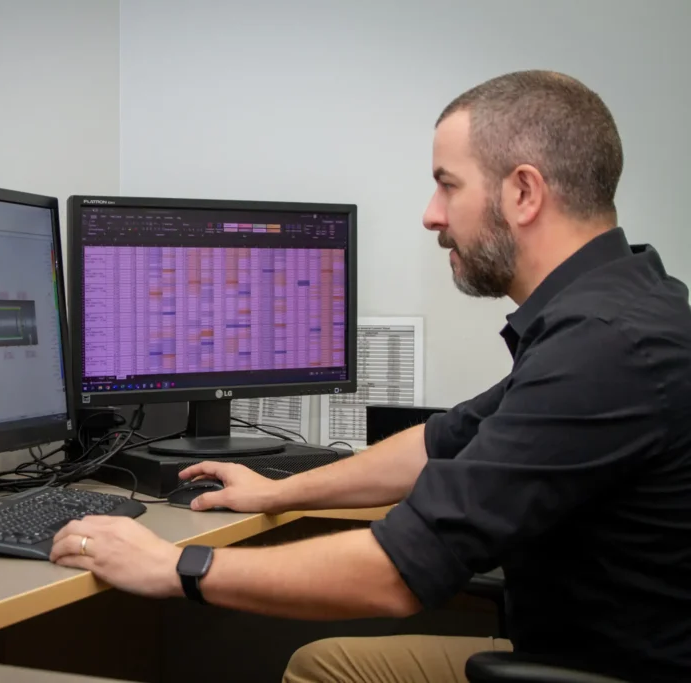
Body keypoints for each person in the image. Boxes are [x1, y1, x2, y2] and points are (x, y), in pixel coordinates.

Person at [49, 70, 691, 682]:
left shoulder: (603, 347)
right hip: (589, 649)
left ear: (523, 192)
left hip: (604, 671)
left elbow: (396, 574)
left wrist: (175, 566)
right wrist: (278, 493)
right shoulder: (620, 306)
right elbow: (441, 440)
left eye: (448, 184)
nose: (432, 214)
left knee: (321, 668)